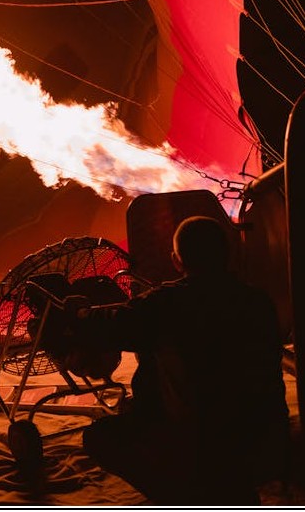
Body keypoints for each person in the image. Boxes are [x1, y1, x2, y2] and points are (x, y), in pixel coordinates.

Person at [57, 216, 289, 505]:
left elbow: (112, 324)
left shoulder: (165, 304)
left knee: (100, 438)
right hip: (266, 443)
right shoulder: (259, 301)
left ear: (177, 261)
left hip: (205, 450)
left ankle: (185, 495)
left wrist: (77, 315)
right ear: (228, 253)